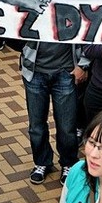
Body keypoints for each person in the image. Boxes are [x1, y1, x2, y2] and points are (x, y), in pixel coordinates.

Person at [19, 41, 87, 186]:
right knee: (36, 125)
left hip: (66, 72)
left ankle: (68, 163)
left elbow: (89, 31)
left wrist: (83, 65)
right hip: (34, 72)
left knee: (67, 126)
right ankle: (42, 162)